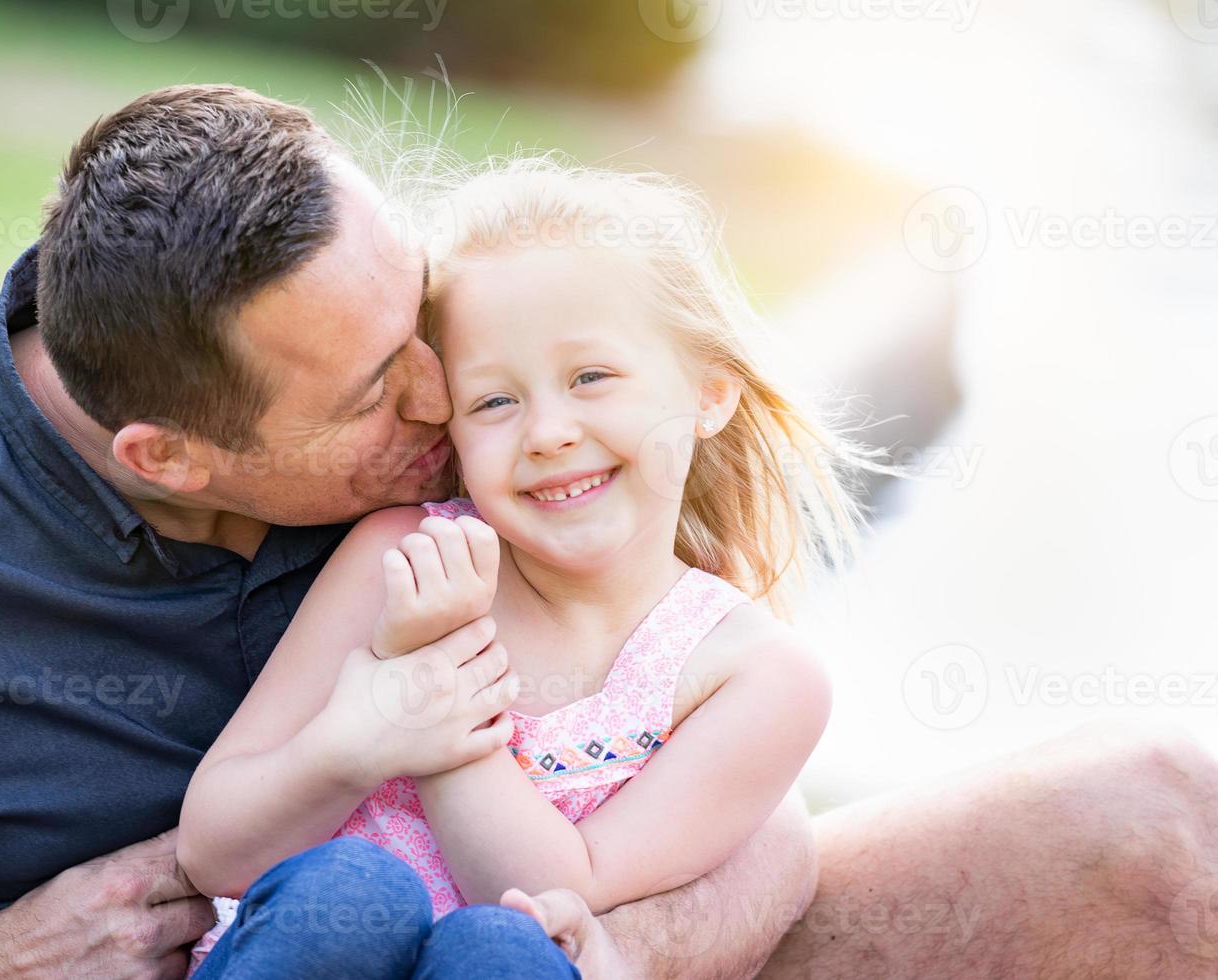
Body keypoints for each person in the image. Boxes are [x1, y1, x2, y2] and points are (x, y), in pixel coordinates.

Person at [0, 83, 1215, 979]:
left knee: (1158, 814)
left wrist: (660, 923)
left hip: (550, 939)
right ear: (173, 456)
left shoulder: (478, 435)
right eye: (386, 389)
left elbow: (714, 733)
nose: (460, 408)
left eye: (423, 320)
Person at [179, 158, 850, 979]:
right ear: (450, 428)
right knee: (353, 894)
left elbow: (546, 887)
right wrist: (358, 739)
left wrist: (432, 687)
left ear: (709, 394)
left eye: (591, 377)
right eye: (494, 401)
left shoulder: (754, 675)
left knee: (501, 949)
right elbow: (215, 848)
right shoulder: (405, 555)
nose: (548, 432)